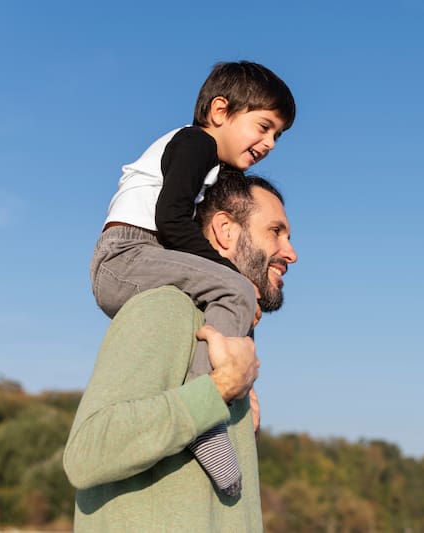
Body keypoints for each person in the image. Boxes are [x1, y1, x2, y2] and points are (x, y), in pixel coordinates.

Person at [90, 61, 296, 495]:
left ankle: (226, 395)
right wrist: (227, 275)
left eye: (277, 135)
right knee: (236, 286)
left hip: (142, 254)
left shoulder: (214, 167)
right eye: (263, 127)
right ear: (220, 111)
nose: (270, 143)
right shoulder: (195, 143)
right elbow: (171, 220)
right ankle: (204, 411)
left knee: (234, 294)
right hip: (127, 254)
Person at [64, 171, 298, 531]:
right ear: (225, 230)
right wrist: (218, 390)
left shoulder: (222, 339)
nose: (291, 253)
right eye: (275, 232)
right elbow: (86, 454)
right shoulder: (165, 309)